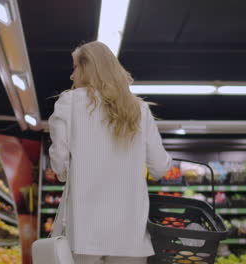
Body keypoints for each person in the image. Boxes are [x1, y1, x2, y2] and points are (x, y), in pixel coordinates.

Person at [48, 41, 172, 264]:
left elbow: (58, 164)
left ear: (88, 68)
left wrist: (72, 175)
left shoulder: (70, 103)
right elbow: (160, 168)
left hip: (84, 232)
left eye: (75, 67)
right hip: (130, 235)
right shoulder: (139, 109)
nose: (71, 76)